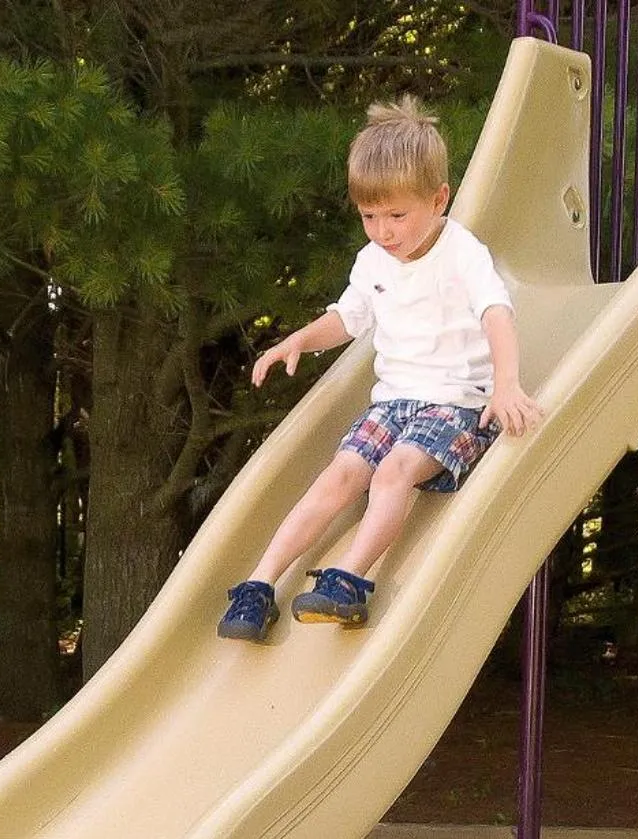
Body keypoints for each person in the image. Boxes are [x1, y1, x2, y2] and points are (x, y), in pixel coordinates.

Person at [218, 97, 545, 641]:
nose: (383, 231)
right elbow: (348, 318)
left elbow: (497, 314)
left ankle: (349, 580)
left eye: (397, 216)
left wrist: (506, 385)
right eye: (369, 217)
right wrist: (299, 339)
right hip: (392, 404)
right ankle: (260, 583)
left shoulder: (462, 252)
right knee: (339, 475)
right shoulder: (372, 261)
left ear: (438, 199)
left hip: (458, 406)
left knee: (393, 473)